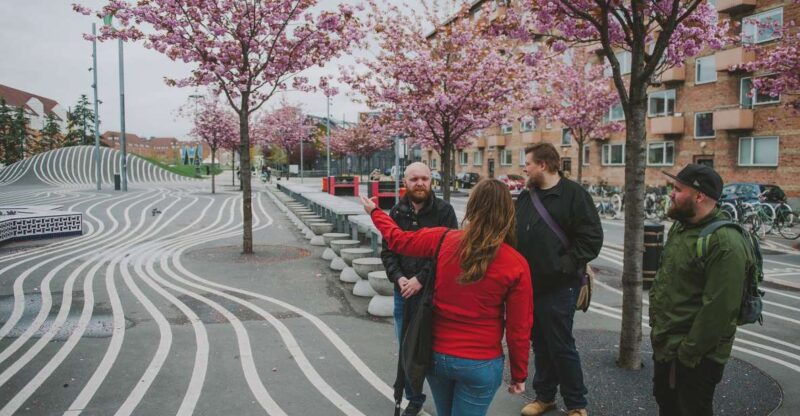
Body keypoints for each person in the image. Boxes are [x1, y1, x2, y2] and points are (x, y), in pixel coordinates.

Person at [362, 178, 533, 416]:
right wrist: (519, 374)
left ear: (471, 208)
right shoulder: (516, 264)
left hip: (436, 356)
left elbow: (399, 239)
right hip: (480, 362)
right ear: (508, 213)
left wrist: (375, 212)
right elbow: (519, 328)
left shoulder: (444, 239)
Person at [650, 164, 751, 416]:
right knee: (667, 404)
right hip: (668, 346)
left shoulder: (725, 242)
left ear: (699, 195)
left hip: (696, 357)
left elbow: (720, 309)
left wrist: (686, 353)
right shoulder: (681, 227)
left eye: (677, 189)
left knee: (691, 409)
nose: (670, 194)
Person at [516, 143, 603, 416]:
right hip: (531, 285)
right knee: (540, 343)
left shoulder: (574, 195)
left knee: (561, 344)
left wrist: (562, 266)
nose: (524, 168)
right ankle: (545, 397)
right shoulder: (526, 196)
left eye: (527, 163)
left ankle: (577, 404)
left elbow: (591, 238)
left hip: (560, 285)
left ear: (543, 165)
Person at [379, 162, 458, 415]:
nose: (420, 183)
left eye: (425, 178)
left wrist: (421, 280)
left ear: (431, 181)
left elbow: (447, 254)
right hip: (403, 292)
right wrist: (399, 277)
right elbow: (388, 251)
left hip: (432, 293)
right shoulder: (397, 212)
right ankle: (414, 398)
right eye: (414, 179)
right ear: (405, 182)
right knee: (406, 348)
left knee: (432, 349)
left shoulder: (444, 212)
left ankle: (445, 401)